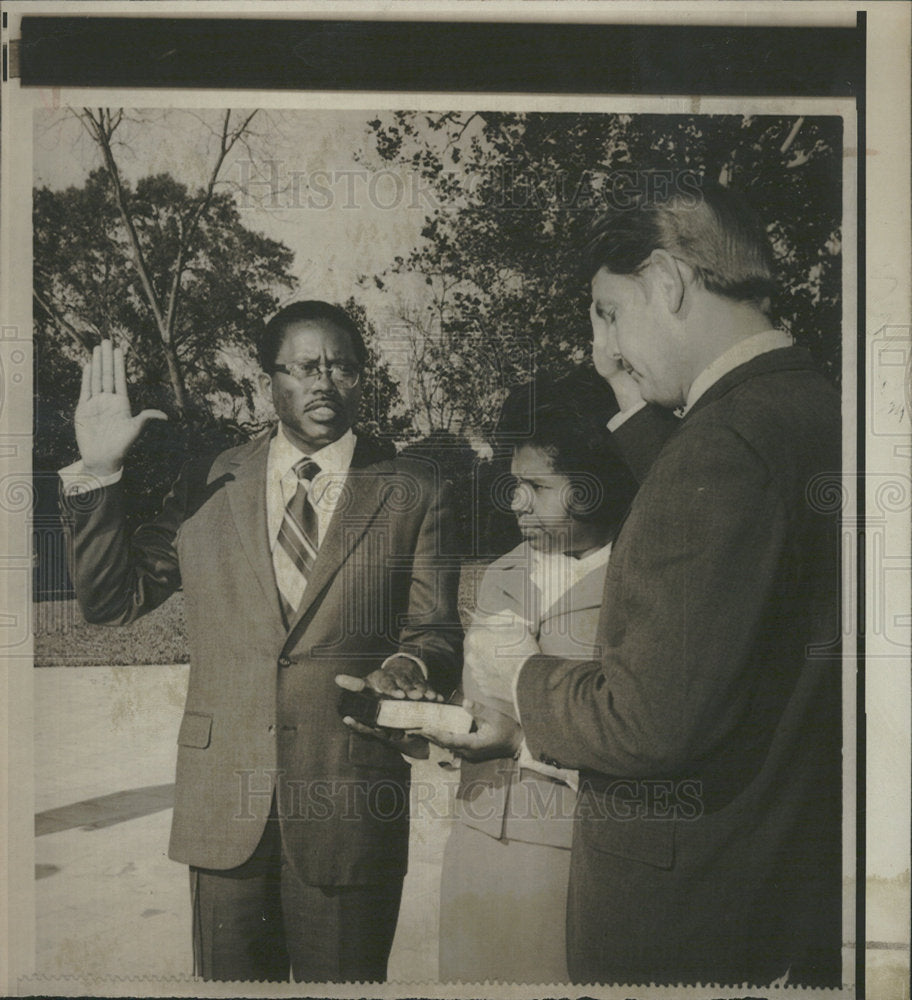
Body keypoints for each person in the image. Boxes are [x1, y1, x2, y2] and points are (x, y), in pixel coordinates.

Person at [59, 301, 462, 982]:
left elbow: (435, 632)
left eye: (344, 368)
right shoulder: (209, 479)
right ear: (267, 378)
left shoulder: (412, 490)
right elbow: (111, 602)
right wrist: (98, 473)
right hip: (224, 810)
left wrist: (406, 664)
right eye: (306, 367)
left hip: (348, 807)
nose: (326, 383)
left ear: (364, 379)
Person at [509, 181, 843, 987]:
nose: (608, 348)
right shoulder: (811, 408)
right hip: (773, 887)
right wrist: (630, 396)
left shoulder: (724, 443)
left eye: (611, 313)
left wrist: (523, 681)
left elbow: (646, 722)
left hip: (682, 920)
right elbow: (716, 543)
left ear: (667, 283)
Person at [432, 396, 641, 984]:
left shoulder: (640, 579)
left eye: (536, 485)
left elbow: (642, 731)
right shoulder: (501, 572)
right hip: (474, 844)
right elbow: (481, 704)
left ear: (593, 485)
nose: (515, 500)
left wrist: (519, 742)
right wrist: (439, 722)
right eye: (512, 483)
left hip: (579, 857)